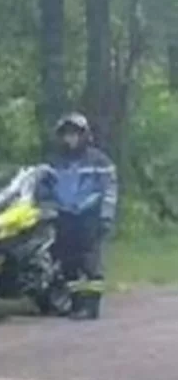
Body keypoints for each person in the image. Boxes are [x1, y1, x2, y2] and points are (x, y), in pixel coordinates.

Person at [40, 112, 118, 320]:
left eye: (74, 134)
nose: (70, 139)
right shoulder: (54, 162)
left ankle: (91, 306)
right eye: (66, 135)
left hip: (89, 215)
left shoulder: (99, 160)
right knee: (68, 262)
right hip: (64, 216)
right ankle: (76, 304)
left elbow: (110, 190)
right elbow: (43, 186)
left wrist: (106, 216)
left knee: (90, 261)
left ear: (84, 135)